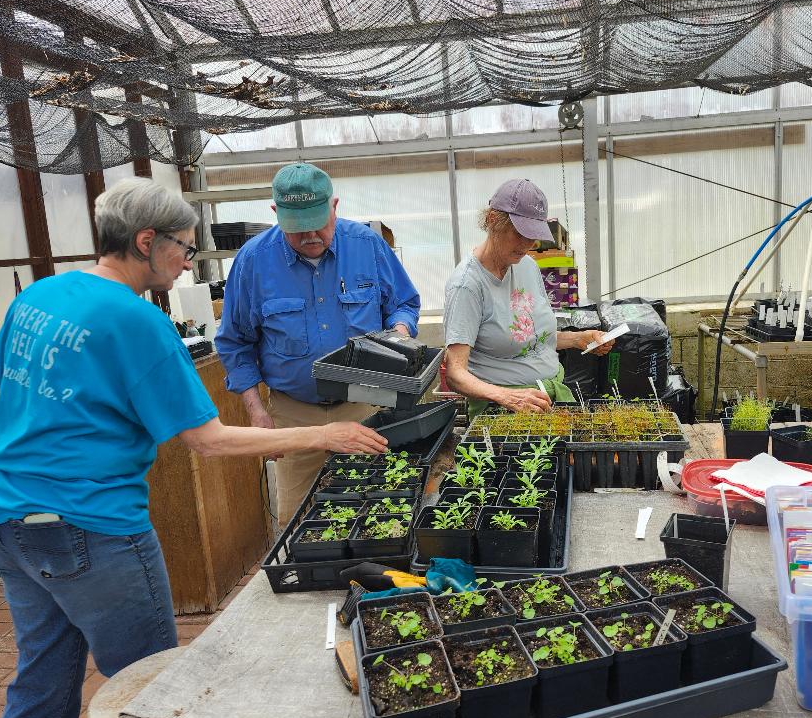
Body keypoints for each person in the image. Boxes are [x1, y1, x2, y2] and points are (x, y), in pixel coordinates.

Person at [0, 178, 386, 718]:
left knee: (41, 682)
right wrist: (324, 434)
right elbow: (207, 441)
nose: (188, 263)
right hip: (92, 526)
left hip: (5, 518)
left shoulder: (38, 297)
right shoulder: (139, 321)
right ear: (146, 242)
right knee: (154, 695)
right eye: (185, 249)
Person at [216, 162, 421, 524]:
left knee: (376, 508)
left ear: (335, 206)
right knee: (300, 520)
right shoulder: (252, 262)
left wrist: (399, 335)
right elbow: (235, 343)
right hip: (295, 415)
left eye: (318, 223)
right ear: (275, 214)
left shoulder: (367, 245)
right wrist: (257, 414)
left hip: (365, 403)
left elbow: (403, 303)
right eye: (298, 229)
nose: (310, 235)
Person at [443, 178, 614, 419]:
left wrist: (579, 339)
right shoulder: (468, 286)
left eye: (533, 235)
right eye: (520, 234)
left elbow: (533, 338)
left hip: (548, 397)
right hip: (503, 410)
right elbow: (455, 373)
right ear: (493, 220)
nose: (527, 244)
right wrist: (507, 397)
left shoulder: (527, 266)